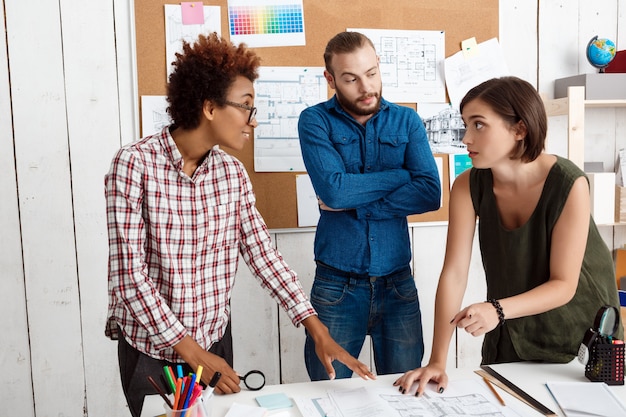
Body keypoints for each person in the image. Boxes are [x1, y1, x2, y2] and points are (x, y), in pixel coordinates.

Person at [104, 32, 375, 417]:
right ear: (210, 107)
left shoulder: (231, 174)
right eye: (246, 106)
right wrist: (195, 356)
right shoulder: (134, 165)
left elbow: (263, 254)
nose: (254, 120)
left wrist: (317, 330)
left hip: (214, 344)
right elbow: (129, 277)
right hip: (153, 353)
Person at [394, 76, 624, 396]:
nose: (466, 138)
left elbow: (563, 285)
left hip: (578, 341)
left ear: (519, 129)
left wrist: (496, 310)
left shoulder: (570, 183)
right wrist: (437, 360)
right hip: (511, 335)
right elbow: (455, 273)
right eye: (465, 125)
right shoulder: (467, 185)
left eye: (479, 125)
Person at [297, 31, 442, 381]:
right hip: (336, 288)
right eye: (351, 79)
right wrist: (400, 175)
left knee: (407, 390)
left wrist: (356, 203)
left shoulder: (406, 121)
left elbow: (430, 193)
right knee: (328, 391)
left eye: (372, 73)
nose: (366, 87)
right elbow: (334, 192)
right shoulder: (314, 121)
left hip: (398, 285)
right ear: (330, 79)